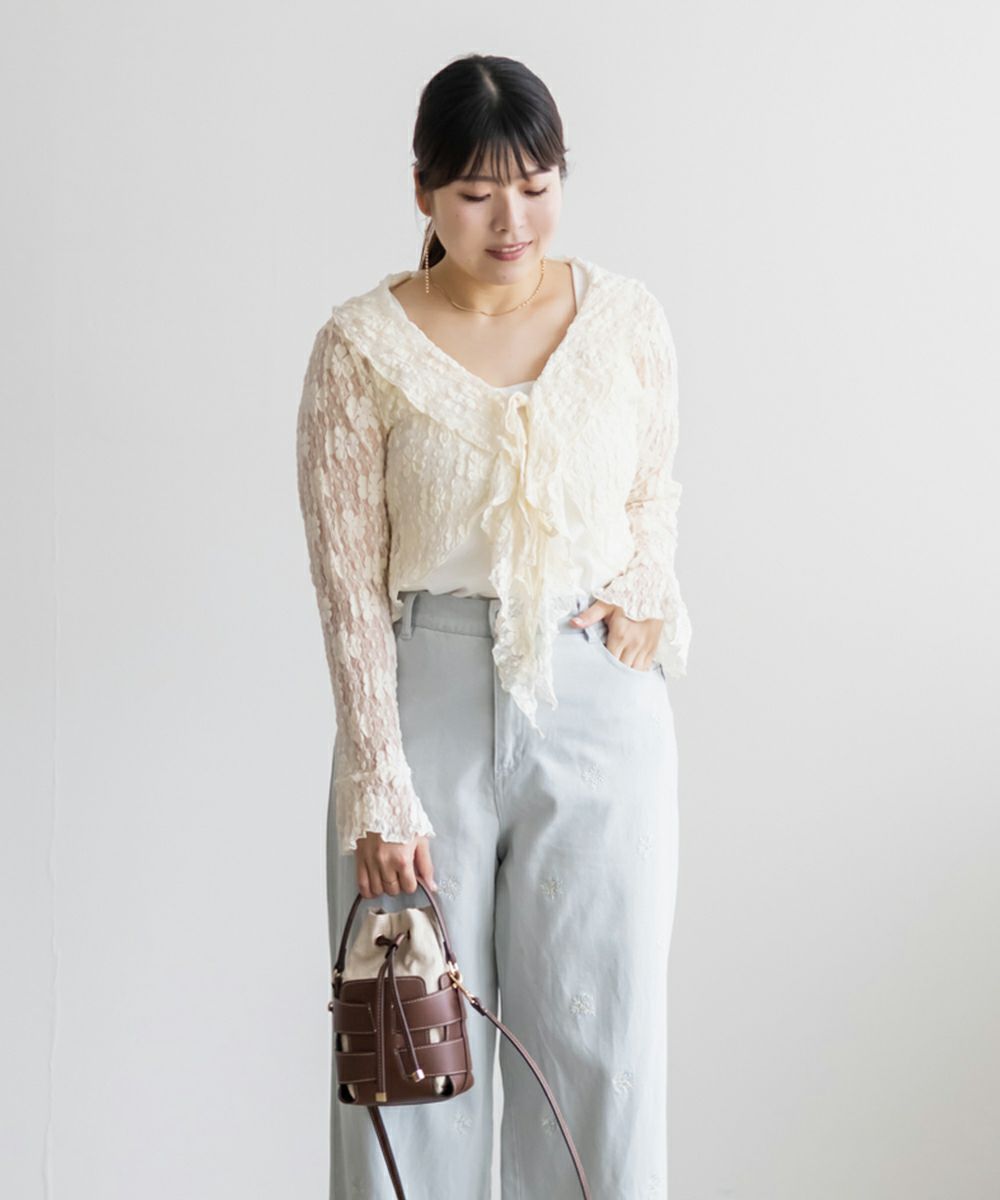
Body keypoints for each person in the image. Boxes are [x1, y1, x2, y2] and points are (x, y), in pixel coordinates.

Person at [296, 51, 692, 1200]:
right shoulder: (361, 349)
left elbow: (651, 489)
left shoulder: (624, 322)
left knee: (601, 1052)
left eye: (535, 185)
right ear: (423, 191)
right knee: (411, 1058)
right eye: (475, 194)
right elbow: (345, 584)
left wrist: (644, 589)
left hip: (598, 708)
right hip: (422, 713)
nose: (511, 221)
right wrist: (378, 782)